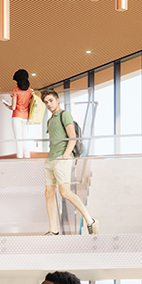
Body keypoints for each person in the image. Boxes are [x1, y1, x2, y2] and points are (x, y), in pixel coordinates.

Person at [41, 89, 98, 235]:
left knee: (64, 192)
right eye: (46, 102)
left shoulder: (64, 115)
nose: (48, 104)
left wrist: (65, 156)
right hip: (51, 159)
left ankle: (90, 220)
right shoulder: (50, 120)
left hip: (62, 158)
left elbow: (72, 137)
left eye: (50, 100)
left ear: (57, 100)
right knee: (49, 193)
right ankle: (53, 230)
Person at [1, 68, 35, 158]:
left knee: (18, 138)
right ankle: (27, 156)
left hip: (17, 116)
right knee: (25, 138)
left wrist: (6, 105)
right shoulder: (30, 90)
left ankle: (19, 157)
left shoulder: (15, 90)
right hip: (26, 116)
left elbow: (13, 107)